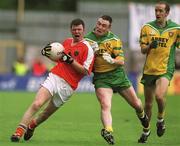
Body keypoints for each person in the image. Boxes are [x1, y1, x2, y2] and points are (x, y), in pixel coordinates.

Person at [10, 18, 94, 142]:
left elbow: (86, 71)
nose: (77, 31)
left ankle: (32, 126)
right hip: (55, 77)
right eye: (74, 29)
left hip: (68, 87)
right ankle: (18, 131)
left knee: (45, 114)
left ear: (83, 30)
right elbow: (60, 59)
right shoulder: (66, 42)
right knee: (37, 103)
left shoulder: (88, 49)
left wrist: (70, 60)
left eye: (79, 29)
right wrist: (49, 54)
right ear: (71, 30)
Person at [85, 15, 149, 145]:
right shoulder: (86, 40)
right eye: (99, 24)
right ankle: (108, 131)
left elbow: (121, 61)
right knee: (105, 104)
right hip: (101, 78)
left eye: (104, 25)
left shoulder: (114, 40)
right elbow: (82, 59)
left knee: (136, 104)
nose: (100, 27)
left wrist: (112, 60)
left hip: (118, 76)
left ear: (109, 28)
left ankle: (143, 117)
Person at [138, 1, 180, 143]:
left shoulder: (176, 29)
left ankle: (161, 119)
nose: (158, 13)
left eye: (161, 11)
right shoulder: (147, 28)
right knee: (148, 104)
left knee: (160, 97)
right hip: (150, 69)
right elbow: (143, 50)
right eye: (156, 10)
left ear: (167, 13)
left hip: (165, 69)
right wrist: (150, 45)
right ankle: (146, 131)